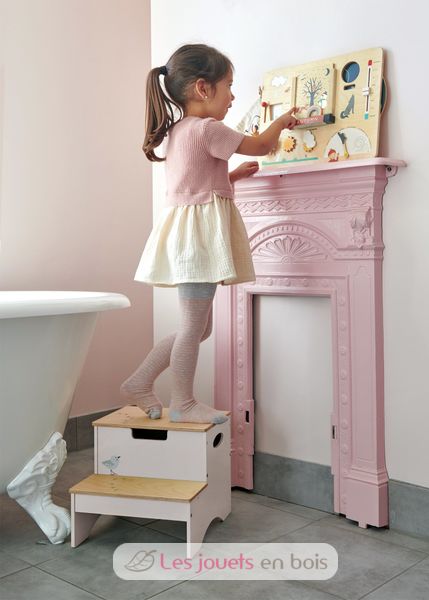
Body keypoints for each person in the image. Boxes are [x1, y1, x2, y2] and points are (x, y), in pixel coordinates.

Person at [120, 43, 299, 424]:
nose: (233, 96)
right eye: (229, 86)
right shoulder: (208, 128)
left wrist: (230, 176)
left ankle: (139, 381)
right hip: (198, 239)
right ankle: (182, 402)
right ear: (203, 88)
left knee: (199, 328)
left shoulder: (179, 131)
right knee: (193, 327)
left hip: (187, 235)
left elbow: (194, 182)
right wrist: (282, 121)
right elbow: (262, 145)